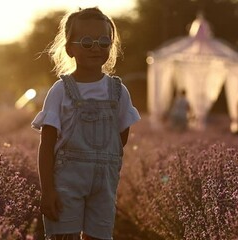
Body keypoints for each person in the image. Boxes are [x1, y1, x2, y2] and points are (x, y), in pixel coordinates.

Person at [31, 7, 140, 240]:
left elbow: (120, 138)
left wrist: (103, 162)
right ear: (70, 48)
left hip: (104, 186)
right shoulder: (61, 91)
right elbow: (47, 144)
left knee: (100, 236)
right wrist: (47, 190)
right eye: (87, 42)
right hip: (66, 182)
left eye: (103, 42)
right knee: (64, 235)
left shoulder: (119, 92)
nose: (96, 48)